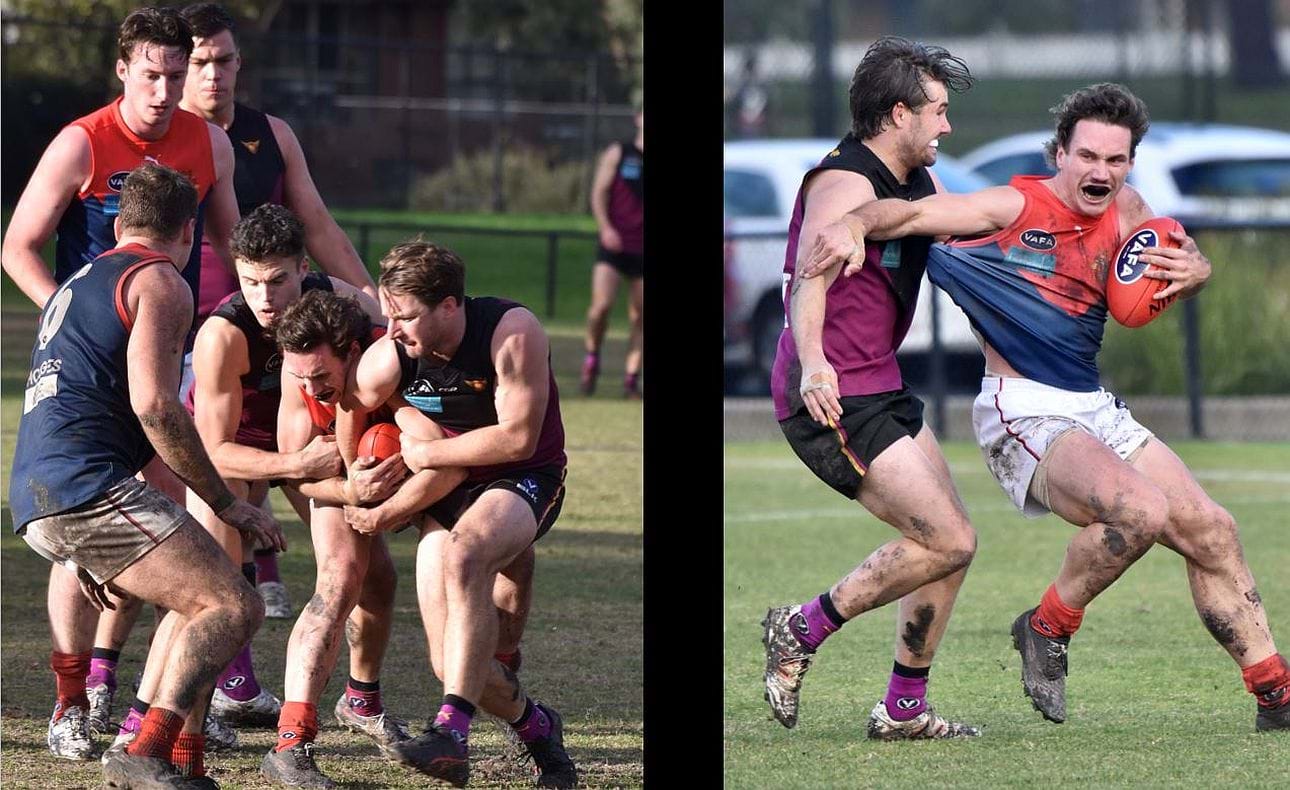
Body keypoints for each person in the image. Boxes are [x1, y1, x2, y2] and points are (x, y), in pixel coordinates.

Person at [801, 82, 1290, 732]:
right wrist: (856, 221)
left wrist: (1196, 267)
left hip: (1093, 406)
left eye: (1116, 161)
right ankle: (1045, 629)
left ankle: (1275, 695)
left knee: (1211, 529)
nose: (1101, 172)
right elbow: (914, 218)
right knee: (1140, 510)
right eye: (1087, 155)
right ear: (1060, 152)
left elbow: (1174, 252)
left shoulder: (1128, 211)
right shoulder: (1013, 204)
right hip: (1023, 411)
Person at [0, 5, 241, 758]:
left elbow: (231, 243)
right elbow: (18, 247)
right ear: (122, 70)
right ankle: (72, 704)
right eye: (152, 74)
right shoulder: (84, 141)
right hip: (99, 369)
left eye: (178, 74)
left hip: (164, 344)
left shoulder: (209, 143)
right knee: (88, 538)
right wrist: (74, 324)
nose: (167, 90)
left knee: (163, 539)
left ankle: (133, 703)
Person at [9, 161, 284, 788]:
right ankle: (143, 748)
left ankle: (181, 764)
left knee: (197, 598)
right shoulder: (159, 281)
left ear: (119, 223)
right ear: (189, 229)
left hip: (39, 487)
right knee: (234, 603)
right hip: (86, 488)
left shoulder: (80, 278)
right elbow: (157, 406)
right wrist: (225, 500)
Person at [760, 37, 981, 741]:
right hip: (831, 394)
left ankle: (904, 709)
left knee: (952, 543)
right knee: (946, 537)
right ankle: (801, 627)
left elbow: (974, 222)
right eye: (938, 112)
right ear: (898, 114)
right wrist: (816, 361)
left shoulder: (913, 177)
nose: (947, 126)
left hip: (879, 385)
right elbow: (807, 282)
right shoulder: (844, 185)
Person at [341, 240, 577, 787]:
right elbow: (348, 401)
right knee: (454, 666)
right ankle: (540, 730)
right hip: (448, 493)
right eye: (389, 314)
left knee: (466, 554)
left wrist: (425, 453)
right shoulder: (393, 351)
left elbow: (519, 438)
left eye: (406, 316)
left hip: (524, 479)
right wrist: (356, 471)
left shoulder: (512, 331)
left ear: (449, 305)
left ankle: (450, 732)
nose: (394, 330)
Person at [180, 1, 379, 619]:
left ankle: (280, 568)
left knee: (294, 446)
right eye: (198, 62)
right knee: (202, 476)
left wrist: (368, 297)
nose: (213, 75)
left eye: (223, 60)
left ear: (240, 62)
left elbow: (316, 223)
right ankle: (213, 660)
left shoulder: (273, 133)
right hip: (195, 329)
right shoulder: (167, 141)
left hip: (290, 323)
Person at [255, 289, 459, 786]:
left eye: (322, 376)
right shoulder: (297, 374)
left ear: (353, 352)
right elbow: (297, 473)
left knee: (382, 584)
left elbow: (443, 449)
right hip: (338, 482)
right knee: (341, 577)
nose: (312, 386)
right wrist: (350, 488)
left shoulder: (394, 359)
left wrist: (400, 491)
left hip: (425, 473)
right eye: (301, 375)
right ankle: (290, 742)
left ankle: (361, 701)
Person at [581, 109, 644, 398]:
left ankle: (631, 378)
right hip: (615, 244)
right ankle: (592, 356)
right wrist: (606, 228)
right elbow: (598, 193)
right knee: (600, 307)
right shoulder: (620, 153)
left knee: (640, 316)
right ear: (637, 118)